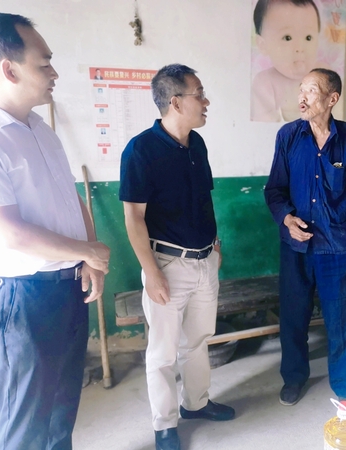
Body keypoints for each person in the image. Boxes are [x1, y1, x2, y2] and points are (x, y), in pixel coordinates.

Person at [0, 13, 111, 449]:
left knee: (60, 414)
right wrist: (86, 251)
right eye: (44, 63)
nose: (54, 73)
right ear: (9, 70)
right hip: (22, 299)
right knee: (26, 427)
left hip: (67, 288)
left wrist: (88, 256)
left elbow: (71, 199)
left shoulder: (40, 129)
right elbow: (6, 232)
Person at [120, 64, 234, 450]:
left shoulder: (196, 144)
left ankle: (196, 403)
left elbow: (203, 199)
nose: (206, 101)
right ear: (176, 102)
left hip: (204, 260)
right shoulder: (141, 150)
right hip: (167, 264)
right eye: (199, 94)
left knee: (198, 340)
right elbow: (134, 218)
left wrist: (215, 245)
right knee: (163, 352)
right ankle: (165, 424)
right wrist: (151, 272)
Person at [265, 68, 346, 414]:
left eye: (311, 90)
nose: (302, 97)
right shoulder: (288, 136)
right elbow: (274, 190)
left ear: (331, 98)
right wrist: (287, 219)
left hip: (337, 246)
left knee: (341, 321)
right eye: (301, 90)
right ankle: (294, 377)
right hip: (296, 246)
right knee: (293, 316)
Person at [251, 0, 322, 122]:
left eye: (308, 37)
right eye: (287, 38)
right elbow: (262, 124)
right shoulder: (264, 83)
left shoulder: (323, 77)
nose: (300, 48)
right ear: (263, 45)